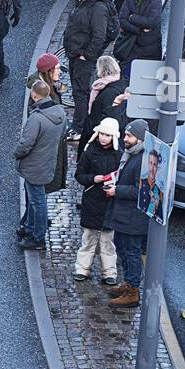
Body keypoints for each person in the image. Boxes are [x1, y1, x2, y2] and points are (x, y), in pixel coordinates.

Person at [14, 79, 68, 250]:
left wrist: (16, 154)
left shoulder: (36, 118)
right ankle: (29, 227)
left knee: (37, 202)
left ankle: (38, 237)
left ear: (34, 94)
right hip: (48, 162)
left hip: (34, 166)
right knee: (36, 199)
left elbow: (25, 144)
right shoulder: (60, 111)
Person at [104, 119, 150, 307]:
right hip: (126, 216)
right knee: (123, 248)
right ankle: (128, 284)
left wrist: (117, 190)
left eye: (129, 136)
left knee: (131, 253)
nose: (125, 138)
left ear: (139, 139)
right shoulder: (133, 154)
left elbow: (141, 191)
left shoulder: (141, 160)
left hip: (133, 218)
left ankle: (132, 292)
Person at [63, 0, 114, 139]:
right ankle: (79, 124)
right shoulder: (85, 3)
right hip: (75, 54)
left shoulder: (98, 9)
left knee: (81, 92)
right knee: (78, 90)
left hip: (82, 57)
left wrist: (87, 55)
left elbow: (99, 36)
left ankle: (79, 128)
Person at [74, 117, 121, 285]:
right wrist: (94, 179)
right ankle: (82, 269)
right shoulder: (89, 152)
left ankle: (109, 272)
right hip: (92, 201)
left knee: (107, 241)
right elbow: (79, 175)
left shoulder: (119, 155)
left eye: (107, 135)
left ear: (113, 137)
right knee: (89, 237)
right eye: (101, 133)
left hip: (110, 203)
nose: (103, 138)